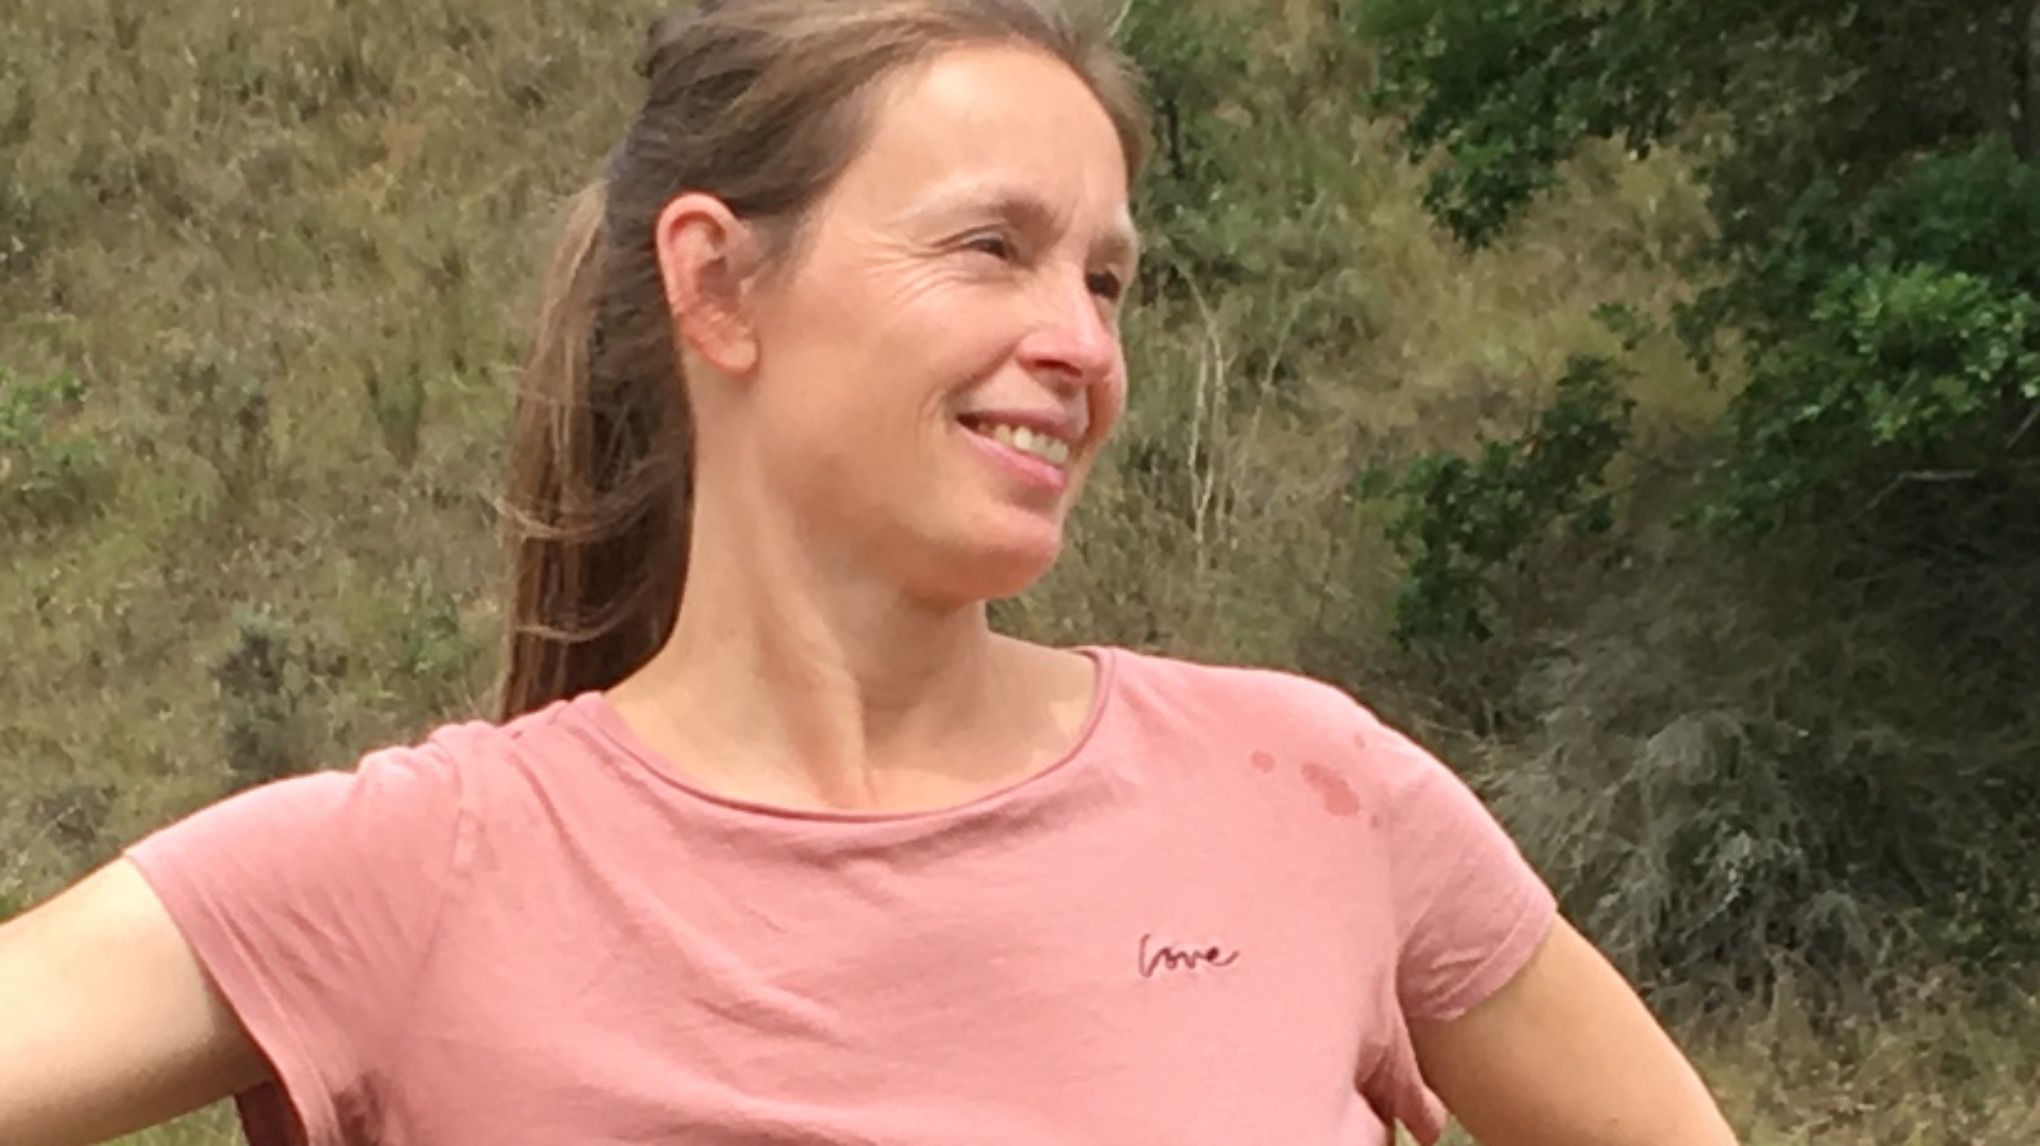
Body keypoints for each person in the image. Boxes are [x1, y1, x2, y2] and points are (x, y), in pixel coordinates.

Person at [0, 2, 1741, 1144]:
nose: (1080, 343)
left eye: (1107, 280)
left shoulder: (1313, 795)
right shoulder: (411, 871)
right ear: (718, 284)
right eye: (991, 246)